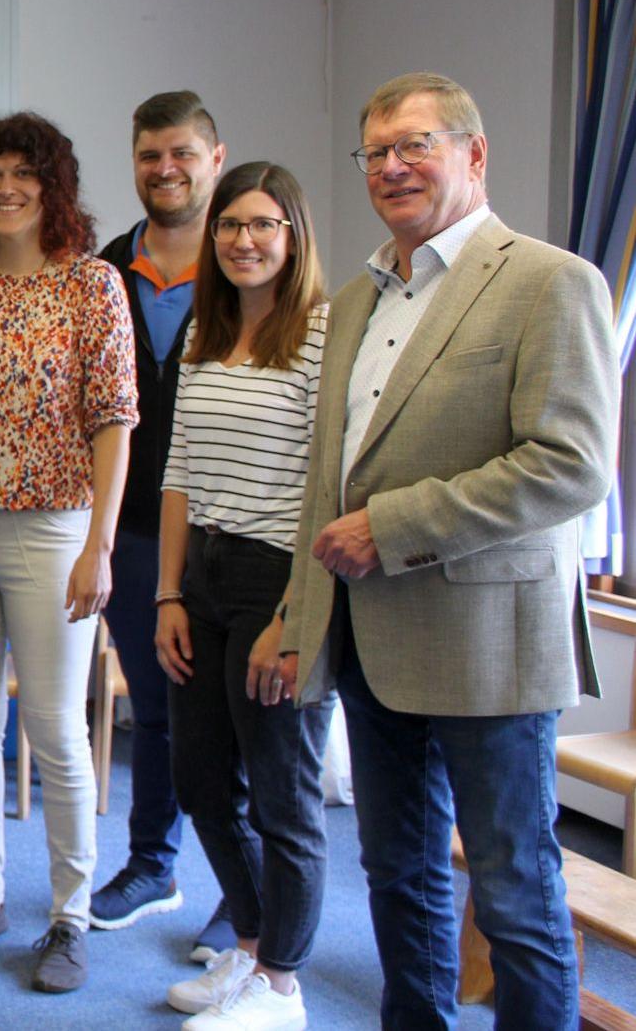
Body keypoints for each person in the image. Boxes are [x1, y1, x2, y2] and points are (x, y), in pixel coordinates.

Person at [277, 72, 616, 1030]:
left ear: (473, 154)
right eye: (375, 152)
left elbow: (569, 464)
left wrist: (394, 527)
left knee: (510, 891)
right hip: (371, 642)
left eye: (413, 145)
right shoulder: (353, 298)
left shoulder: (552, 282)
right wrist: (302, 620)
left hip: (489, 645)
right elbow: (326, 476)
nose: (391, 167)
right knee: (396, 876)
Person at [0, 112, 138, 994]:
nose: (5, 188)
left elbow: (113, 420)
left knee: (52, 729)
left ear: (54, 186)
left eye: (23, 173)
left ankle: (68, 917)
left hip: (55, 530)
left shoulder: (91, 286)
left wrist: (100, 546)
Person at [152, 162, 331, 1031]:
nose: (243, 241)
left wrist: (295, 619)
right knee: (199, 783)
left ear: (292, 235)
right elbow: (179, 468)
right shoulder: (204, 332)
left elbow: (326, 485)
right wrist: (165, 596)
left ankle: (283, 984)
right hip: (205, 578)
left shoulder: (323, 334)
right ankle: (254, 946)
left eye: (262, 225)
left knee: (281, 795)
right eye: (229, 226)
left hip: (279, 578)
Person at [91, 92, 235, 960]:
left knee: (229, 714)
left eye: (182, 153)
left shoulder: (254, 259)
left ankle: (241, 889)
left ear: (215, 158)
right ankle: (153, 864)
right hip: (137, 530)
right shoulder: (105, 269)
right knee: (155, 706)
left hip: (234, 531)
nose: (165, 170)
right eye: (150, 156)